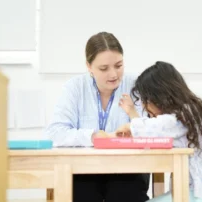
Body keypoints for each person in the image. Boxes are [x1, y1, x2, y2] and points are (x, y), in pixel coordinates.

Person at [44, 32, 150, 202]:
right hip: (84, 167)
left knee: (125, 193)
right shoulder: (75, 88)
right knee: (81, 192)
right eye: (104, 68)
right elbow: (54, 133)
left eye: (118, 65)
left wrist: (134, 122)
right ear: (89, 66)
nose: (114, 74)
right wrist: (93, 136)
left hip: (129, 167)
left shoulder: (136, 85)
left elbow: (153, 129)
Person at [116, 61, 202, 202]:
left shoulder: (181, 117)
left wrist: (129, 126)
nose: (145, 105)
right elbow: (153, 132)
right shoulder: (188, 112)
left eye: (146, 99)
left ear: (160, 96)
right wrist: (132, 114)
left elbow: (157, 127)